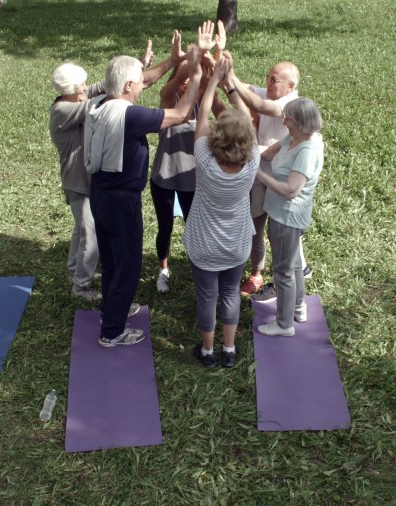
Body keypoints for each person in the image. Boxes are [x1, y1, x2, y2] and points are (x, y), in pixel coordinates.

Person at [85, 23, 213, 348]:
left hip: (99, 194)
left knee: (112, 259)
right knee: (128, 264)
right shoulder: (130, 115)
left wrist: (173, 61)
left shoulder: (98, 101)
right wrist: (196, 71)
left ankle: (112, 309)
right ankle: (112, 331)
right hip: (122, 199)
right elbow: (181, 113)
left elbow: (148, 79)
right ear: (129, 85)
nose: (144, 84)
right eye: (139, 82)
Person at [50, 35, 187, 301]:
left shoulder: (78, 97)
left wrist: (146, 67)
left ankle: (74, 272)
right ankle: (81, 286)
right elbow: (115, 96)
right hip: (79, 181)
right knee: (89, 233)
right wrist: (143, 75)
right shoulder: (65, 110)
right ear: (70, 89)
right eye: (81, 85)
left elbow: (120, 85)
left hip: (92, 178)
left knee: (82, 229)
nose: (87, 87)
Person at [183, 54, 259, 368]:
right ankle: (229, 350)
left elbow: (202, 115)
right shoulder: (252, 161)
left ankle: (208, 352)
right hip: (236, 243)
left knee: (206, 296)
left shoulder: (204, 159)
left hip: (203, 244)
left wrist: (212, 80)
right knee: (229, 293)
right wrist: (230, 85)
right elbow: (248, 122)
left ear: (217, 137)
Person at [149, 22, 228, 294]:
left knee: (195, 227)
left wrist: (214, 54)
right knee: (165, 226)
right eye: (182, 80)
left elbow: (212, 85)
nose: (185, 85)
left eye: (189, 81)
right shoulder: (169, 103)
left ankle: (198, 267)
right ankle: (163, 269)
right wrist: (188, 62)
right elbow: (169, 88)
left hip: (192, 181)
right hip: (163, 178)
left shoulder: (202, 105)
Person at [225, 58, 311, 298]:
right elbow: (244, 89)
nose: (269, 83)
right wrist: (220, 66)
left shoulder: (290, 105)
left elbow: (258, 105)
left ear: (290, 86)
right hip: (261, 173)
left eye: (274, 80)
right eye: (268, 77)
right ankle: (259, 274)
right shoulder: (271, 93)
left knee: (281, 232)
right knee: (257, 226)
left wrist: (230, 81)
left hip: (280, 179)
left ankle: (292, 276)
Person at [253, 98, 324, 337]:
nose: (283, 121)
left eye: (288, 118)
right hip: (281, 213)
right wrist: (247, 150)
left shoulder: (307, 151)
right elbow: (267, 154)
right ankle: (298, 307)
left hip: (288, 217)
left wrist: (260, 175)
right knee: (293, 265)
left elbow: (291, 190)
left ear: (300, 122)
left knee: (282, 271)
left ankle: (284, 324)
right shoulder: (293, 138)